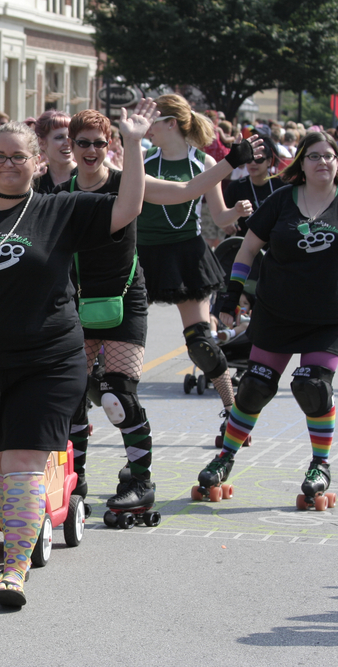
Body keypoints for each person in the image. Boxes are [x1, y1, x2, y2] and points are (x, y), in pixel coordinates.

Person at [0, 102, 156, 608]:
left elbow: (127, 207)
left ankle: (14, 568)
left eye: (18, 157)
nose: (7, 164)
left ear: (36, 162)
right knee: (1, 468)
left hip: (47, 361)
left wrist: (132, 143)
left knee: (24, 463)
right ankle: (14, 551)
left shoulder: (59, 209)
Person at [60, 109, 261, 511]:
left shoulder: (128, 180)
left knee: (120, 395)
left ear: (111, 145)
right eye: (83, 142)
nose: (92, 150)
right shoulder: (59, 192)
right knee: (73, 395)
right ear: (72, 146)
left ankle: (141, 480)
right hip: (81, 296)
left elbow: (186, 189)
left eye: (100, 142)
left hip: (130, 291)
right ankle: (74, 480)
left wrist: (231, 161)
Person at [197, 131, 338, 506]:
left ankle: (320, 465)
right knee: (254, 387)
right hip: (277, 312)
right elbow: (247, 248)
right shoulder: (281, 201)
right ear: (301, 165)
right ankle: (225, 457)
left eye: (329, 156)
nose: (322, 161)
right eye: (314, 156)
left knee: (313, 387)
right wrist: (231, 293)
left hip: (328, 318)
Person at [137, 94, 253, 443]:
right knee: (113, 338)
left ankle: (233, 413)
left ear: (170, 123)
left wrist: (236, 212)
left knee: (200, 344)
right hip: (144, 255)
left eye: (152, 122)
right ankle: (82, 417)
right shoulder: (143, 160)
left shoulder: (203, 162)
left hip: (186, 256)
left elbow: (218, 217)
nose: (147, 129)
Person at [223, 131, 278, 238]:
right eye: (249, 159)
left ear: (269, 161)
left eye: (259, 159)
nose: (253, 163)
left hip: (275, 242)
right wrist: (227, 224)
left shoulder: (281, 185)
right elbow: (223, 215)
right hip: (243, 241)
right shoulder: (235, 187)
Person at [33, 109, 75, 194]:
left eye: (71, 137)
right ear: (42, 143)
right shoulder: (36, 179)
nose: (68, 142)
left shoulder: (86, 175)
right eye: (59, 137)